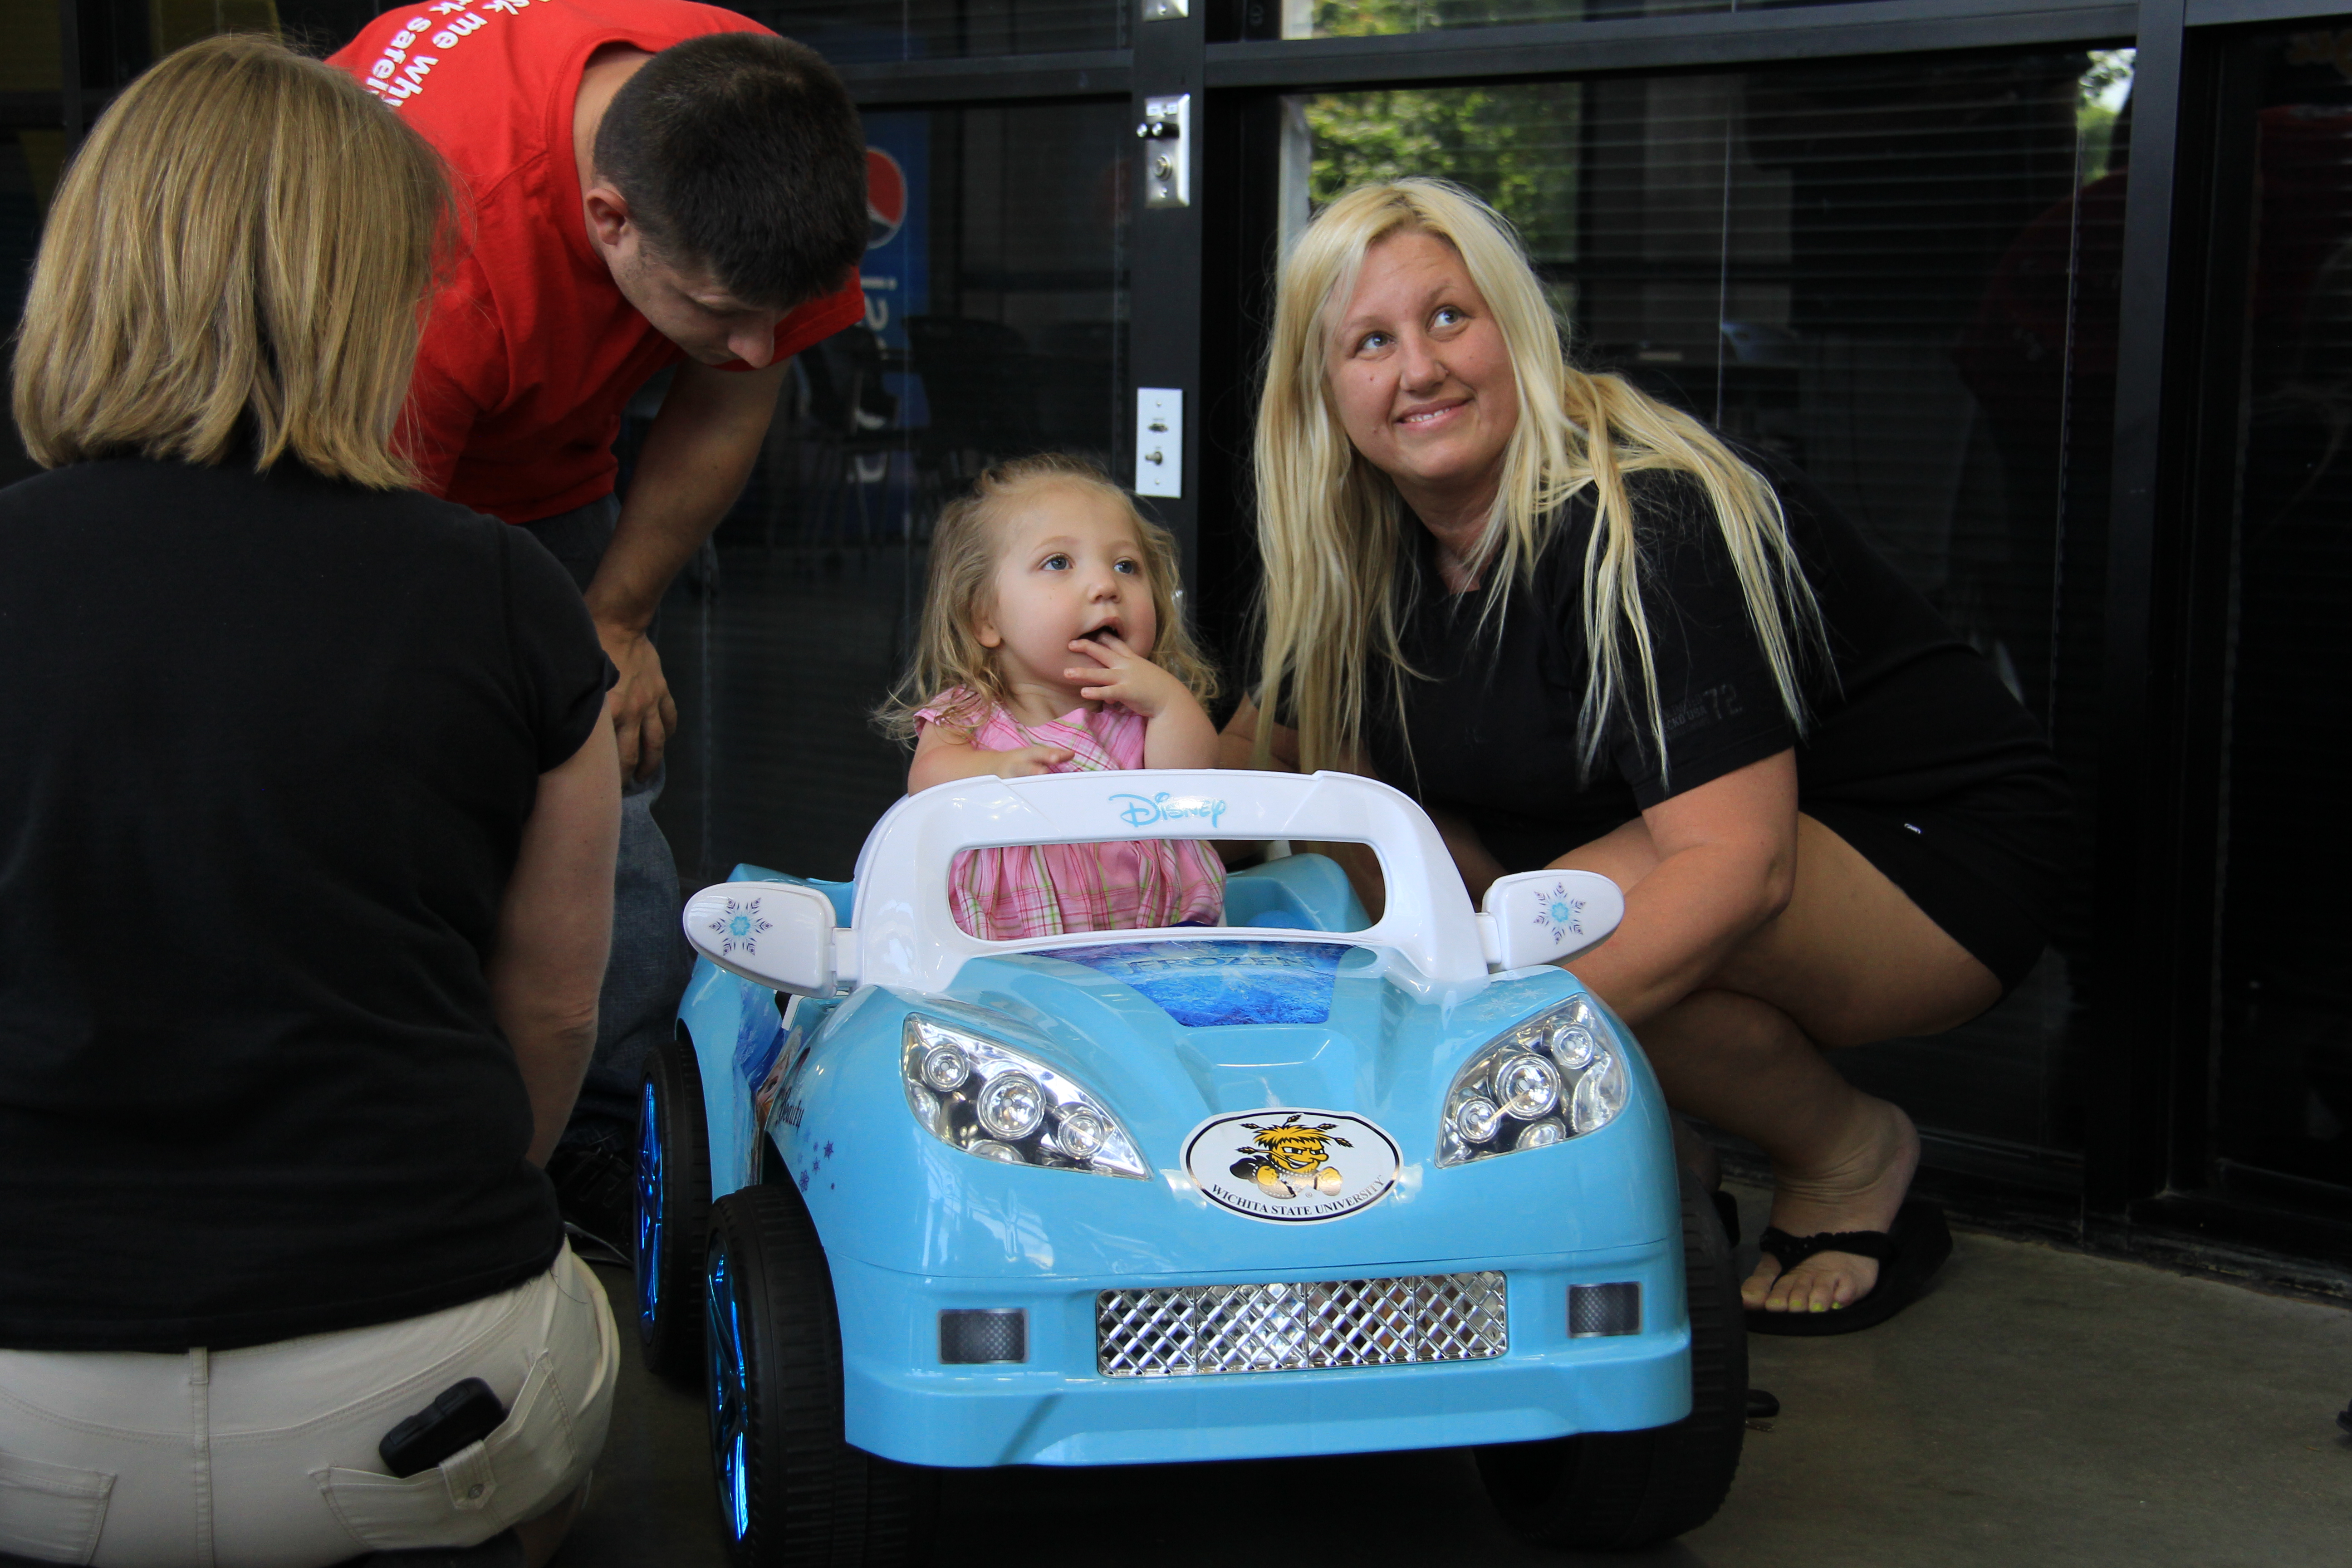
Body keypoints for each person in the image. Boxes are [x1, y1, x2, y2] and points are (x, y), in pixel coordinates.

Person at [1225, 180, 2071, 1333]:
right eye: (1370, 342)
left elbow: (1735, 868)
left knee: (1529, 933)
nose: (1417, 369)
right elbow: (1246, 768)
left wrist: (1455, 1066)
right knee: (1362, 822)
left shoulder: (1648, 515)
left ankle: (1850, 1152)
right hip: (1659, 849)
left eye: (1447, 318)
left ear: (1513, 329)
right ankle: (1659, 1156)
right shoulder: (1367, 558)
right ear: (1324, 394)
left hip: (1921, 853)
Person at [0, 36, 620, 1566]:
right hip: (415, 1393)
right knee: (578, 1360)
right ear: (373, 298)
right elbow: (549, 1018)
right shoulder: (507, 594)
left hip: (26, 1399)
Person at [325, 0, 870, 1244]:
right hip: (353, 457)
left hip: (552, 469)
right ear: (608, 219)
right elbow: (364, 554)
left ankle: (599, 1130)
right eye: (719, 308)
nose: (752, 347)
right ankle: (401, 1112)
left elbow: (730, 398)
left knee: (604, 760)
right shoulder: (430, 247)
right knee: (404, 782)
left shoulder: (749, 110)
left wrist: (614, 622)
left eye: (775, 317)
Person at [876, 455, 1225, 941]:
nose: (1106, 586)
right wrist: (995, 772)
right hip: (1012, 953)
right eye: (1058, 563)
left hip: (1154, 943)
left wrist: (1169, 705)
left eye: (1127, 566)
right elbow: (928, 779)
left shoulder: (1140, 714)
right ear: (986, 617)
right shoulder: (969, 713)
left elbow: (1193, 790)